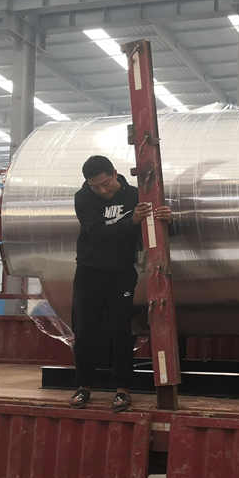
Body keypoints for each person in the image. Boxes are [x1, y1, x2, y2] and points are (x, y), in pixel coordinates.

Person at [69, 155, 172, 412]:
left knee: (121, 330)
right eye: (96, 186)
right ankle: (83, 386)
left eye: (106, 184)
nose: (102, 191)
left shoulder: (135, 196)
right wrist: (131, 221)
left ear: (115, 173)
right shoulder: (83, 198)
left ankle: (122, 390)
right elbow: (96, 233)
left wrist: (166, 220)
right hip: (89, 271)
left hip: (121, 272)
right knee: (84, 330)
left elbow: (153, 232)